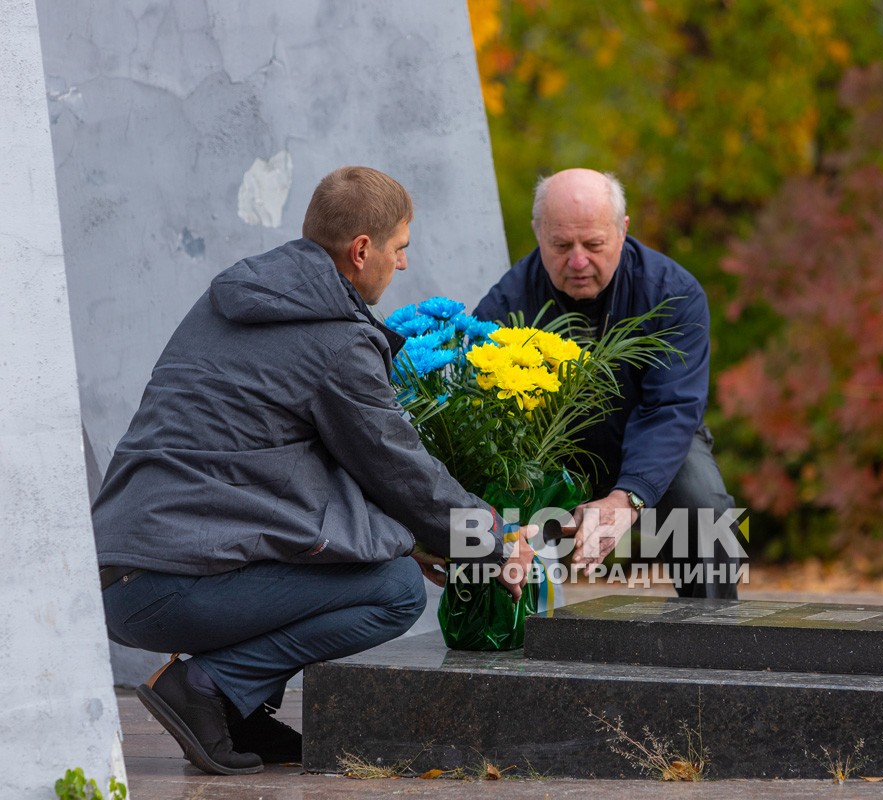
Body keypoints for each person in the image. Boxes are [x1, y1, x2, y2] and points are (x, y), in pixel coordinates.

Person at [92, 166, 535, 776]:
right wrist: (491, 540)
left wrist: (405, 540)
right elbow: (402, 470)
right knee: (394, 591)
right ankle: (204, 688)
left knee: (386, 563)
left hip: (124, 576)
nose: (402, 265)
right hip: (171, 584)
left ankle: (237, 711)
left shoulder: (236, 302)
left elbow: (275, 472)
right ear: (361, 250)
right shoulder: (334, 342)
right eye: (399, 249)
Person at [473, 168, 746, 599]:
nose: (578, 261)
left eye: (594, 245)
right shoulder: (504, 305)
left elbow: (671, 409)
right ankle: (493, 637)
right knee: (480, 513)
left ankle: (716, 637)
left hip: (653, 438)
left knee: (703, 506)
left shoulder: (672, 293)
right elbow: (489, 420)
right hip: (545, 450)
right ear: (537, 233)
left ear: (622, 230)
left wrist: (627, 498)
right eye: (561, 246)